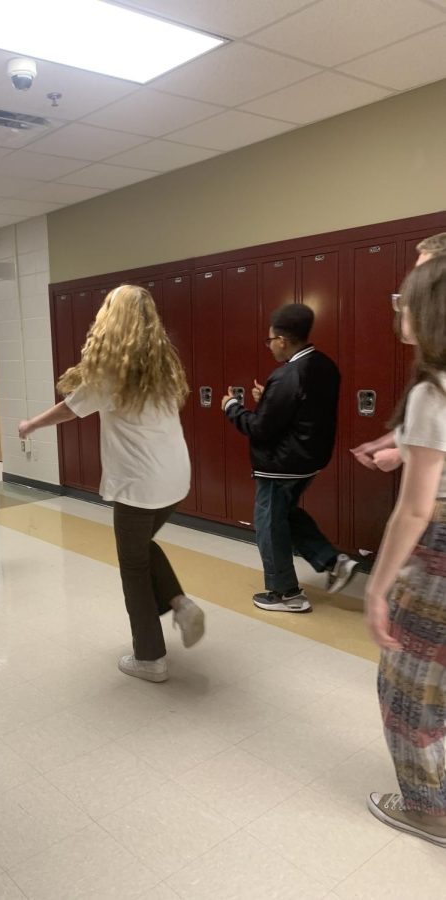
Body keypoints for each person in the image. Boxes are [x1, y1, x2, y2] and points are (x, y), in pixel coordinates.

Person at [18, 284, 204, 683]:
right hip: (175, 477)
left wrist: (31, 423)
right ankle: (179, 603)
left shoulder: (112, 370)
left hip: (139, 483)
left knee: (133, 564)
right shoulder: (162, 361)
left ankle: (150, 657)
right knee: (142, 547)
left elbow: (71, 408)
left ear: (110, 318)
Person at [365, 255, 446, 847]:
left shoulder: (431, 392)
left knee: (406, 685)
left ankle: (426, 808)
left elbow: (416, 510)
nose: (398, 305)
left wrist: (375, 587)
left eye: (405, 296)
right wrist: (407, 446)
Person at [222, 303, 357, 613]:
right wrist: (267, 399)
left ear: (282, 339)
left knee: (268, 524)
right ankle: (332, 561)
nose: (269, 347)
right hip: (308, 461)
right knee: (285, 513)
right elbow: (301, 411)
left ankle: (286, 594)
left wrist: (231, 407)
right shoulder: (324, 364)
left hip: (281, 464)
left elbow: (260, 428)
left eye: (269, 340)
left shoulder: (287, 374)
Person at [351, 232, 446, 473]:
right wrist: (391, 443)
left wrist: (402, 453)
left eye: (423, 282)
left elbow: (414, 511)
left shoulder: (431, 390)